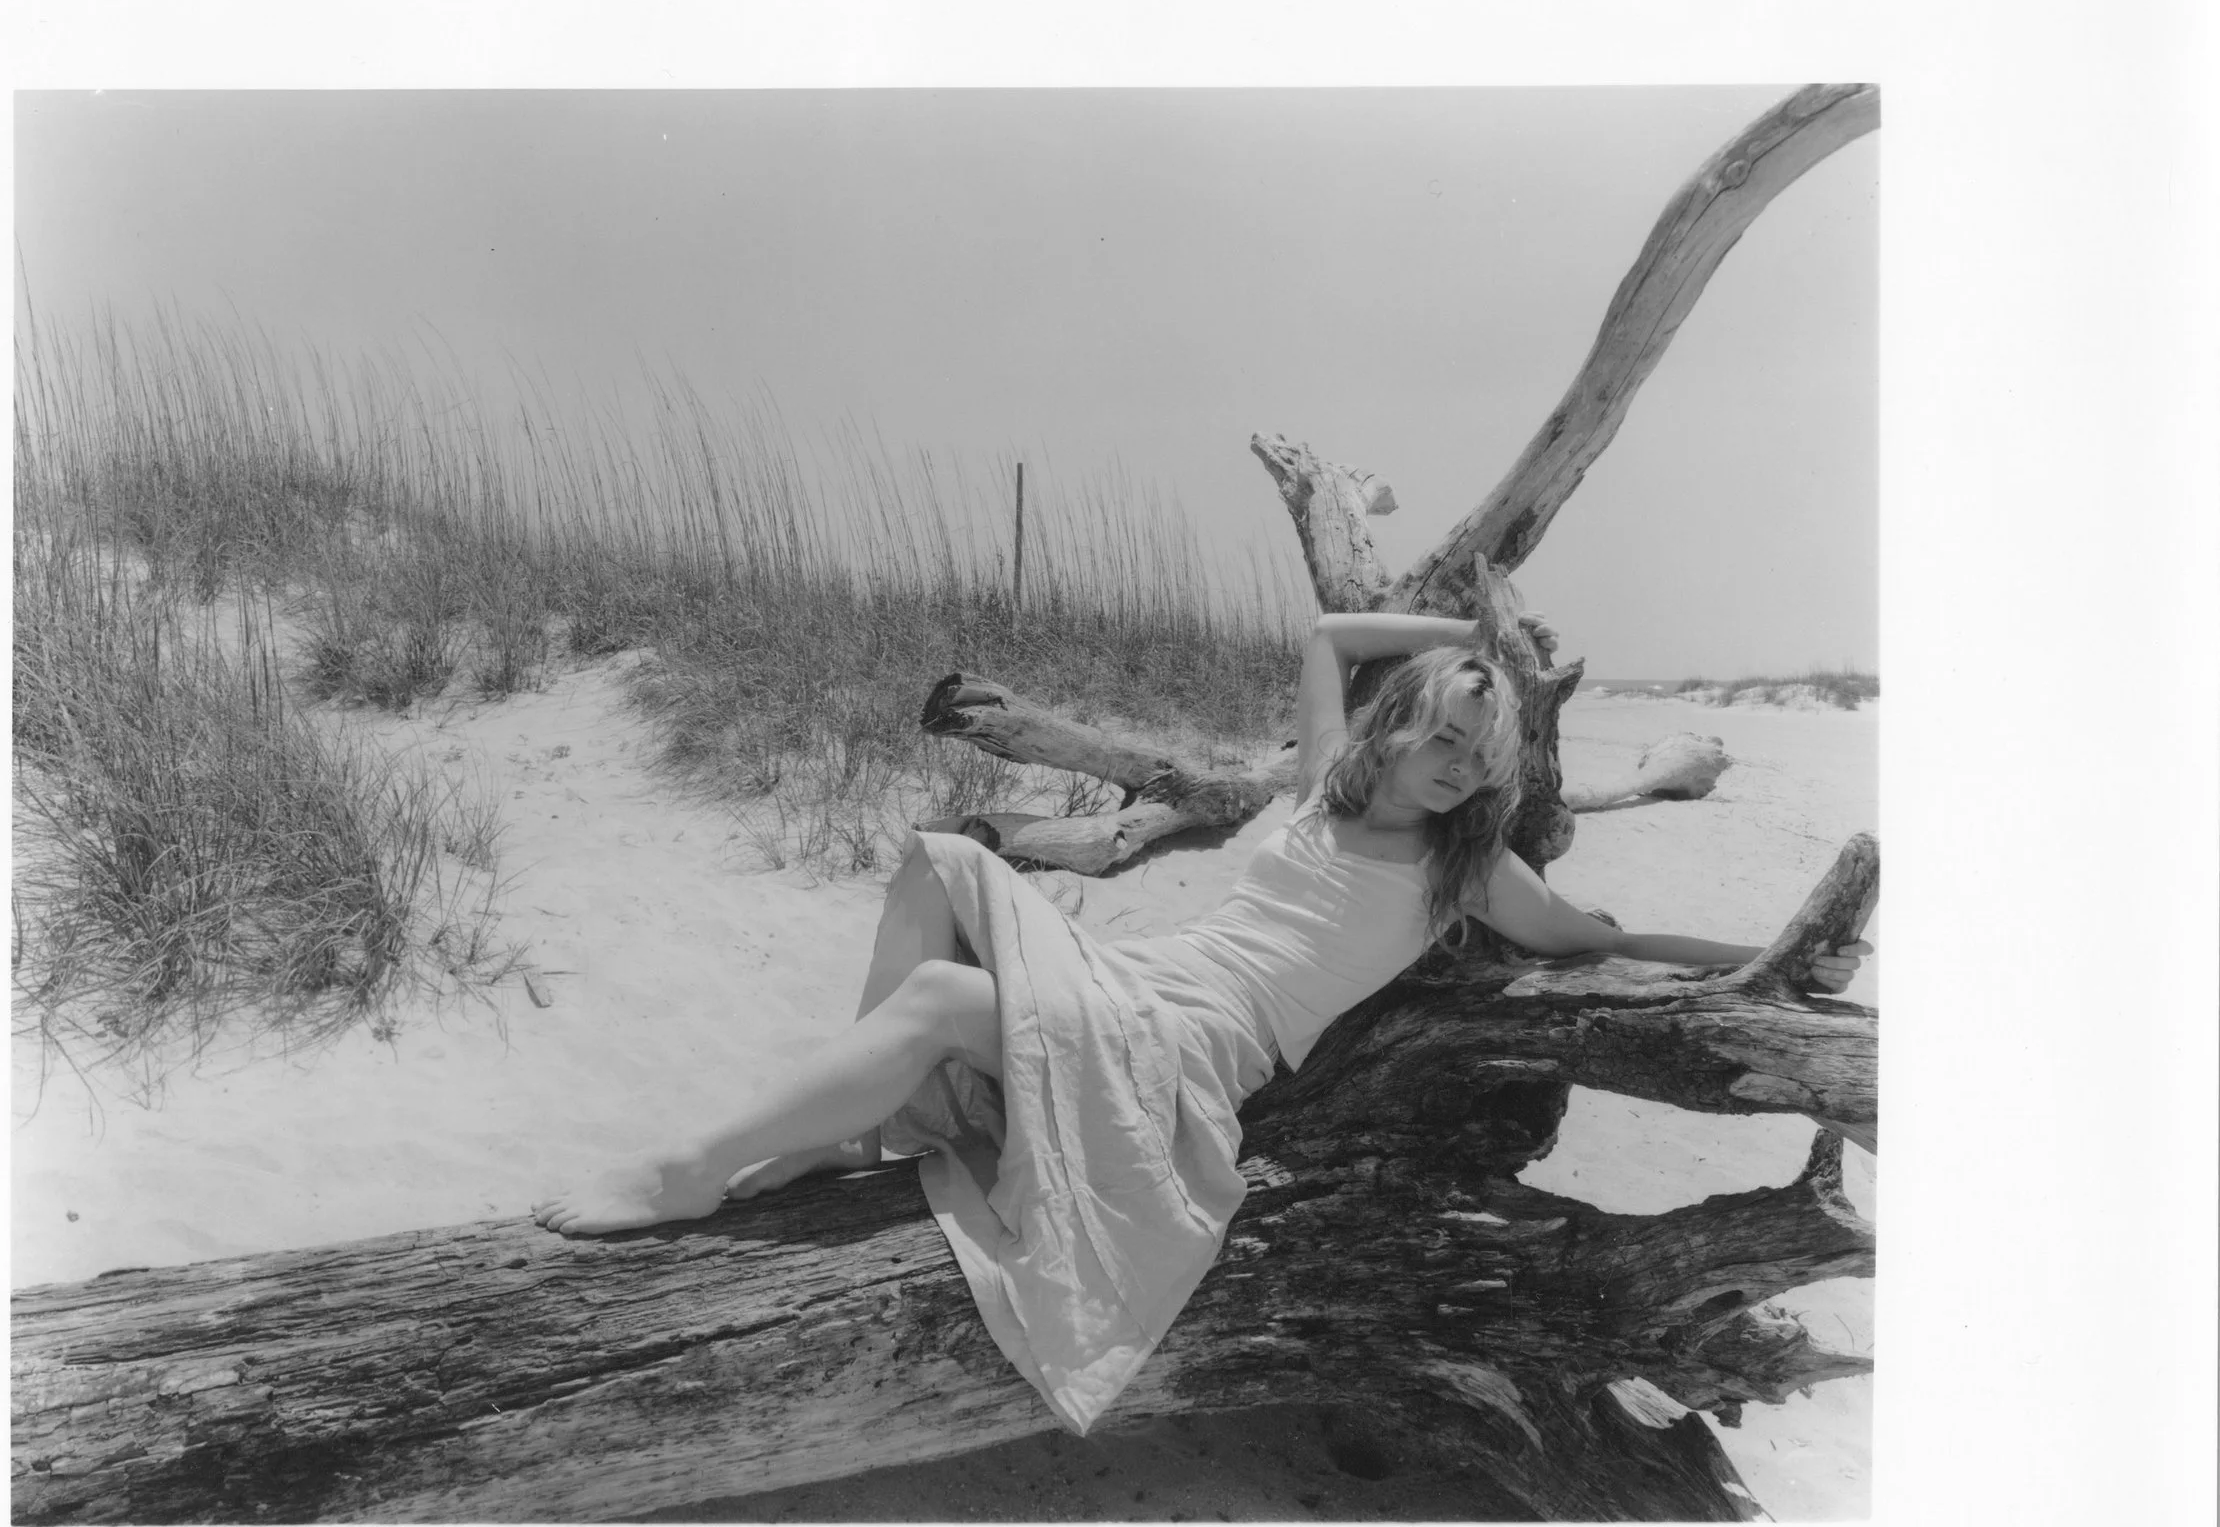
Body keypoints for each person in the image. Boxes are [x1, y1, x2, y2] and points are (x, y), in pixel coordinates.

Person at [533, 611, 1869, 1433]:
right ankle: (867, 1120)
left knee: (946, 994)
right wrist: (1473, 633)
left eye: (1482, 754)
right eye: (1443, 735)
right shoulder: (1307, 786)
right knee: (941, 859)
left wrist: (1779, 955)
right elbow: (1329, 640)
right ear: (1396, 729)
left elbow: (1609, 944)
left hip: (1190, 1056)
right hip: (1140, 985)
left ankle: (693, 1174)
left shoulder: (1469, 872)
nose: (1458, 765)